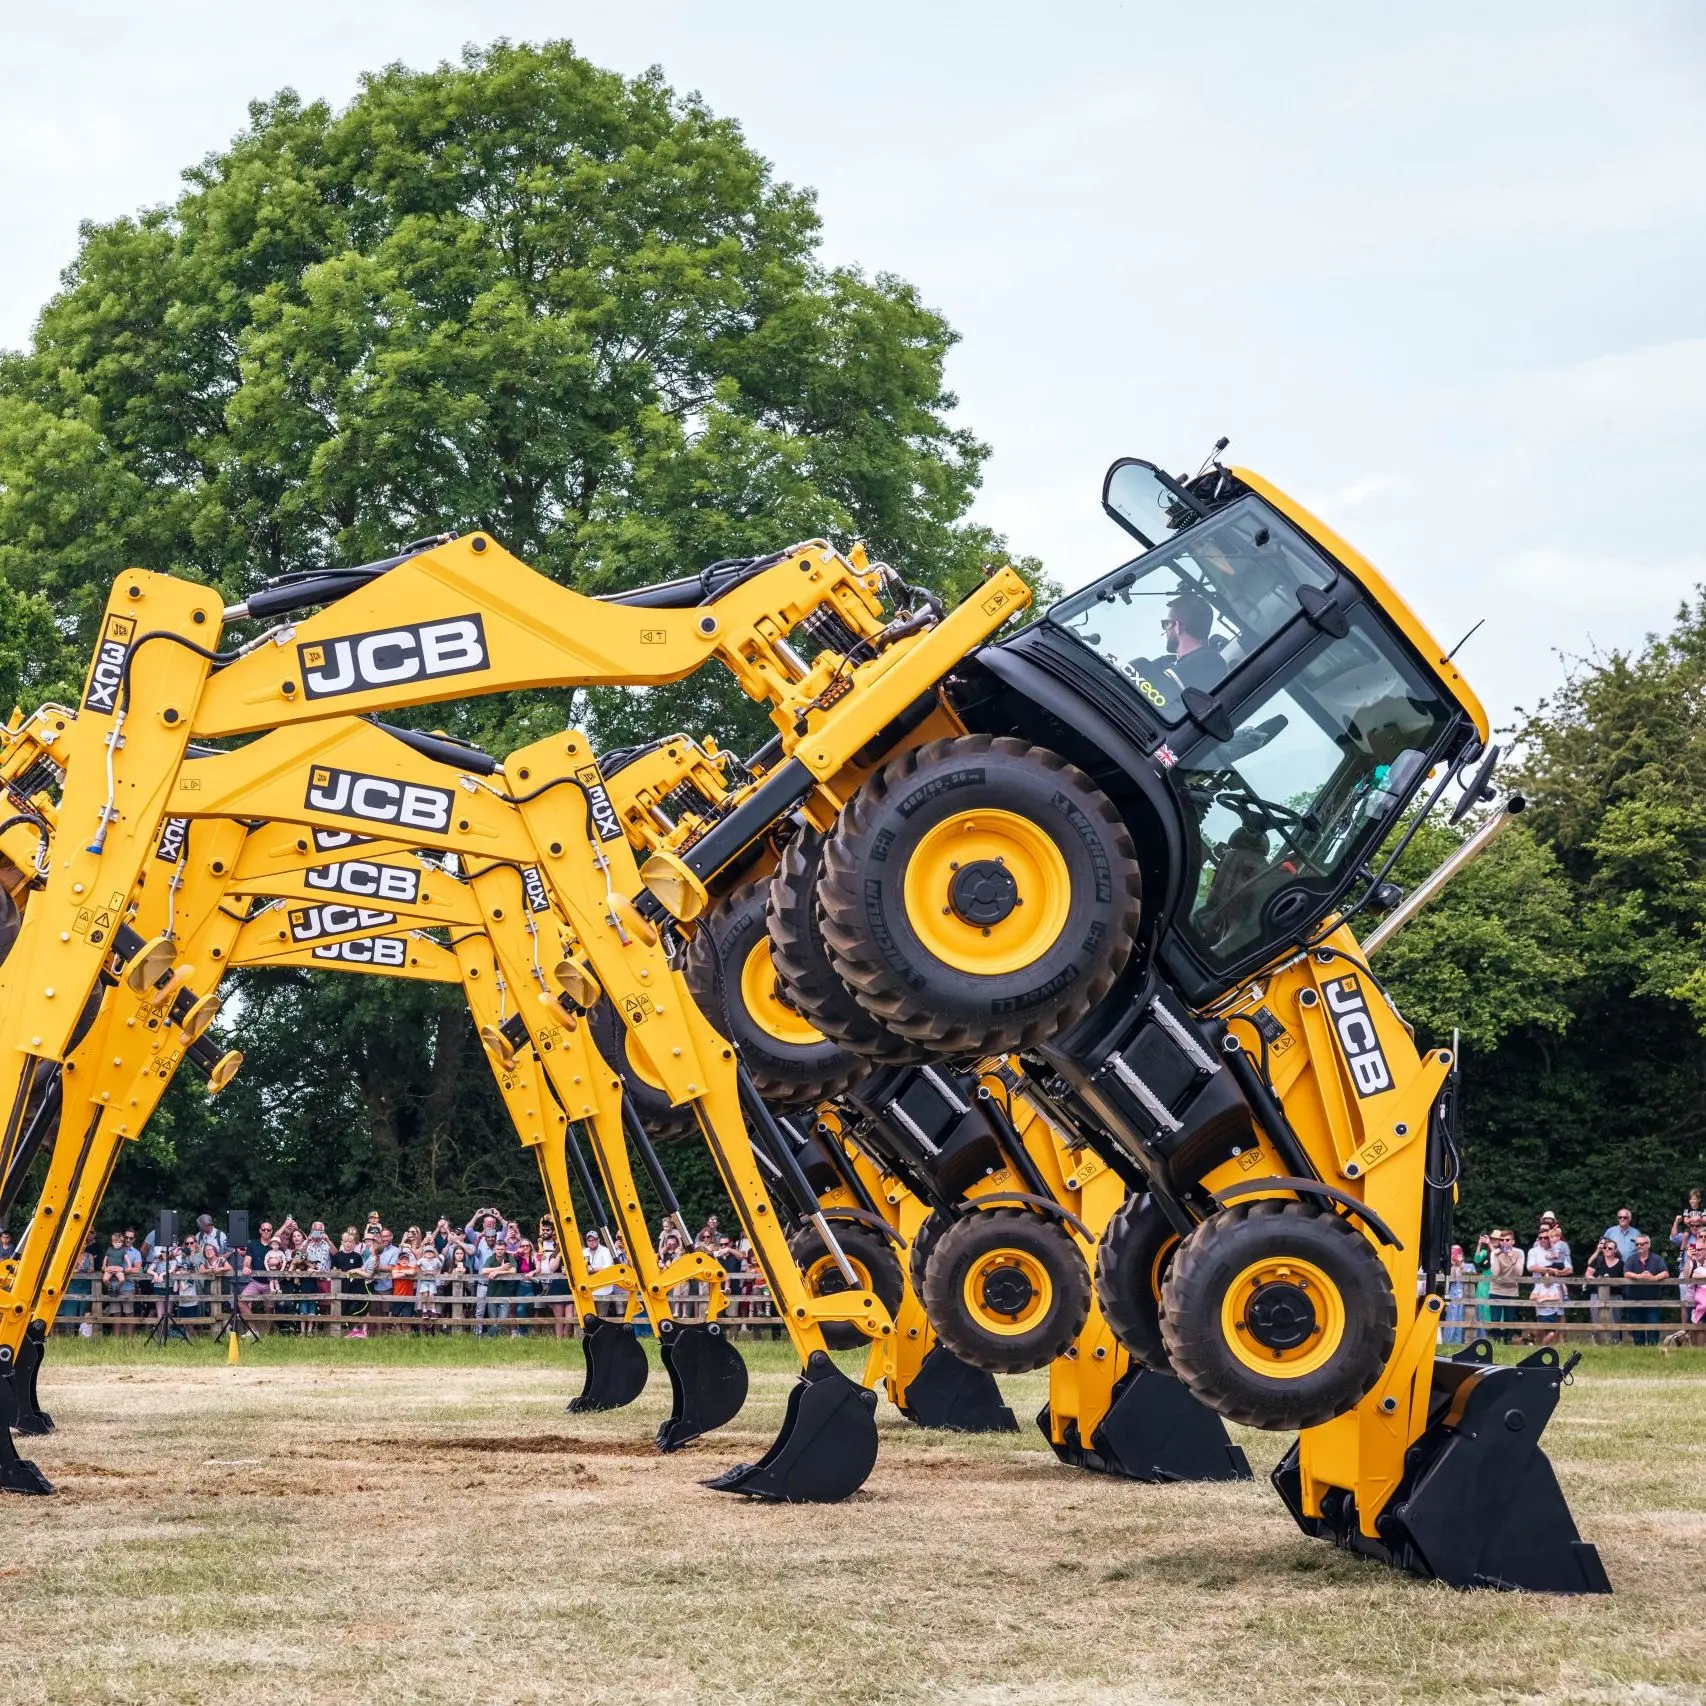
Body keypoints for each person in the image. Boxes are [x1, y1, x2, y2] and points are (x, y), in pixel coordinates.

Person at [1622, 1235, 1670, 1345]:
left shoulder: (1657, 1259)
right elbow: (1626, 1273)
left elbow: (1665, 1272)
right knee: (1637, 1329)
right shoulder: (1631, 1258)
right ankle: (1640, 1351)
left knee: (1653, 1327)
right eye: (1637, 1244)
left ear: (1648, 1245)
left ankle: (1652, 1351)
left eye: (1642, 1244)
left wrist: (1654, 1278)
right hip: (1634, 1300)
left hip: (1653, 1300)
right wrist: (1639, 1276)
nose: (1639, 1246)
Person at [1584, 1237, 1625, 1344]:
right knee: (1595, 1318)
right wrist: (1598, 1280)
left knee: (1615, 1320)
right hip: (1596, 1294)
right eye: (1605, 1248)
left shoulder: (1621, 1263)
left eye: (1610, 1248)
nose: (1607, 1249)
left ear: (1615, 1250)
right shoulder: (1598, 1260)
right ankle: (1597, 1342)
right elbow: (1588, 1274)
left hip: (1614, 1295)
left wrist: (1612, 1282)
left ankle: (1616, 1342)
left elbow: (1624, 1280)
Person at [330, 1228, 370, 1336]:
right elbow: (333, 1270)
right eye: (346, 1241)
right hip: (340, 1287)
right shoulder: (337, 1256)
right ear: (342, 1242)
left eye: (351, 1242)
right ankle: (341, 1331)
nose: (348, 1244)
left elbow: (360, 1271)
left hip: (354, 1286)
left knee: (354, 1307)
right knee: (341, 1307)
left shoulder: (357, 1257)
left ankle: (356, 1330)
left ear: (354, 1243)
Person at [1486, 1229, 1523, 1341]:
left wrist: (1511, 1258)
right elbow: (1496, 1273)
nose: (1504, 1242)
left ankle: (1507, 1341)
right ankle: (1496, 1341)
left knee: (1509, 1318)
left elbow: (1519, 1273)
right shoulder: (1494, 1253)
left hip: (1512, 1289)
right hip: (1496, 1288)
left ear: (1512, 1242)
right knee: (1495, 1318)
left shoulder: (1519, 1253)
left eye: (1507, 1240)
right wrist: (1497, 1256)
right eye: (1502, 1240)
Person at [101, 1231, 136, 1336]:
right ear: (112, 1242)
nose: (117, 1244)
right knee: (105, 1280)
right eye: (116, 1242)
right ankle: (112, 1288)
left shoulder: (125, 1252)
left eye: (119, 1242)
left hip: (122, 1276)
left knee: (128, 1311)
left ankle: (130, 1336)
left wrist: (125, 1268)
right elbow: (105, 1261)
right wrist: (105, 1267)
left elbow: (131, 1265)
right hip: (110, 1270)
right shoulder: (109, 1250)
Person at [1528, 1272, 1564, 1346]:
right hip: (1542, 1313)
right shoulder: (1539, 1286)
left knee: (1549, 1333)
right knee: (1550, 1334)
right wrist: (1542, 1297)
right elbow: (1531, 1297)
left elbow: (1557, 1297)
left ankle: (1540, 1346)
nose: (1551, 1281)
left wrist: (1545, 1298)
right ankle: (1541, 1346)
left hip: (1553, 1313)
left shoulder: (1554, 1287)